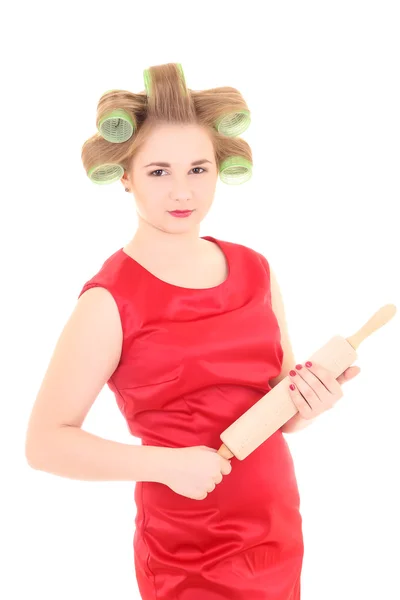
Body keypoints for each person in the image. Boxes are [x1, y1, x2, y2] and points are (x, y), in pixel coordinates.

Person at [25, 63, 359, 599]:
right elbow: (44, 445)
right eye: (159, 172)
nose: (182, 191)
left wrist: (307, 403)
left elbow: (274, 409)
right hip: (186, 546)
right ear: (126, 176)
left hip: (275, 527)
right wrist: (165, 465)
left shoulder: (257, 269)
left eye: (198, 169)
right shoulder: (109, 300)